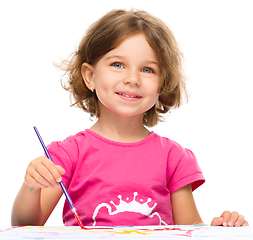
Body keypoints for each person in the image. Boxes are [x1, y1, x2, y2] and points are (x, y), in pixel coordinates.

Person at [12, 9, 248, 227]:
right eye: (118, 64)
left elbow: (191, 231)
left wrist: (221, 230)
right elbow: (24, 225)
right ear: (90, 76)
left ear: (163, 84)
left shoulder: (173, 158)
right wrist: (31, 185)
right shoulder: (67, 154)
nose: (132, 78)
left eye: (147, 69)